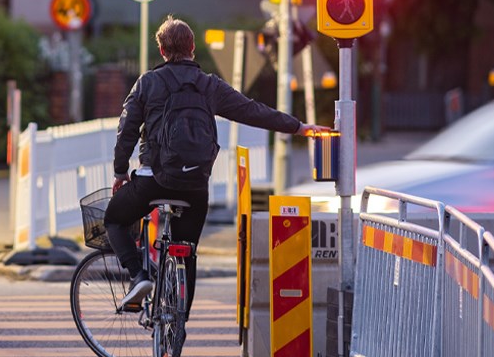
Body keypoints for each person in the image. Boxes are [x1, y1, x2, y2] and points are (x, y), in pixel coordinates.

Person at [105, 16, 330, 308]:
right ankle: (178, 321)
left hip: (153, 181)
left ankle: (139, 277)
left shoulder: (148, 83)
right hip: (195, 185)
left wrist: (121, 172)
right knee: (187, 249)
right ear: (193, 48)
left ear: (161, 50)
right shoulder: (208, 85)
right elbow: (253, 111)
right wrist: (300, 127)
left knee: (113, 219)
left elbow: (127, 131)